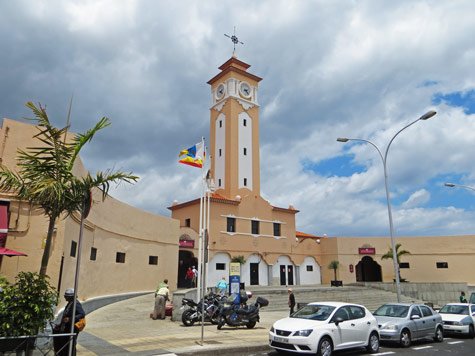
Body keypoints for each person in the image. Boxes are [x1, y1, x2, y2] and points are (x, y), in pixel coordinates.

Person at [53, 288, 86, 356]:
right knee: (65, 345)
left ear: (71, 296)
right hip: (67, 328)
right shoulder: (70, 303)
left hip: (72, 328)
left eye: (66, 296)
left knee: (70, 345)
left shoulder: (76, 304)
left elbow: (82, 314)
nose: (65, 297)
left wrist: (70, 319)